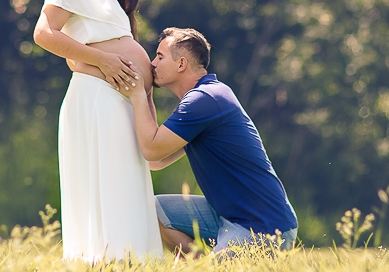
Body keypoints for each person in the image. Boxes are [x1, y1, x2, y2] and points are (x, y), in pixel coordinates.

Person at [32, 0, 165, 262]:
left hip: (121, 101)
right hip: (96, 99)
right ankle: (104, 259)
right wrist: (104, 61)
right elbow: (45, 34)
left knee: (126, 180)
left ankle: (132, 259)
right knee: (106, 181)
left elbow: (83, 56)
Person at [123, 27, 299, 255]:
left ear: (181, 64)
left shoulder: (204, 100)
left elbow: (152, 151)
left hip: (264, 226)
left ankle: (208, 268)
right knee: (152, 210)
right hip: (226, 216)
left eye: (159, 56)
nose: (153, 64)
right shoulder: (203, 98)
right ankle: (200, 266)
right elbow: (157, 160)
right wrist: (146, 96)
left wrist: (137, 95)